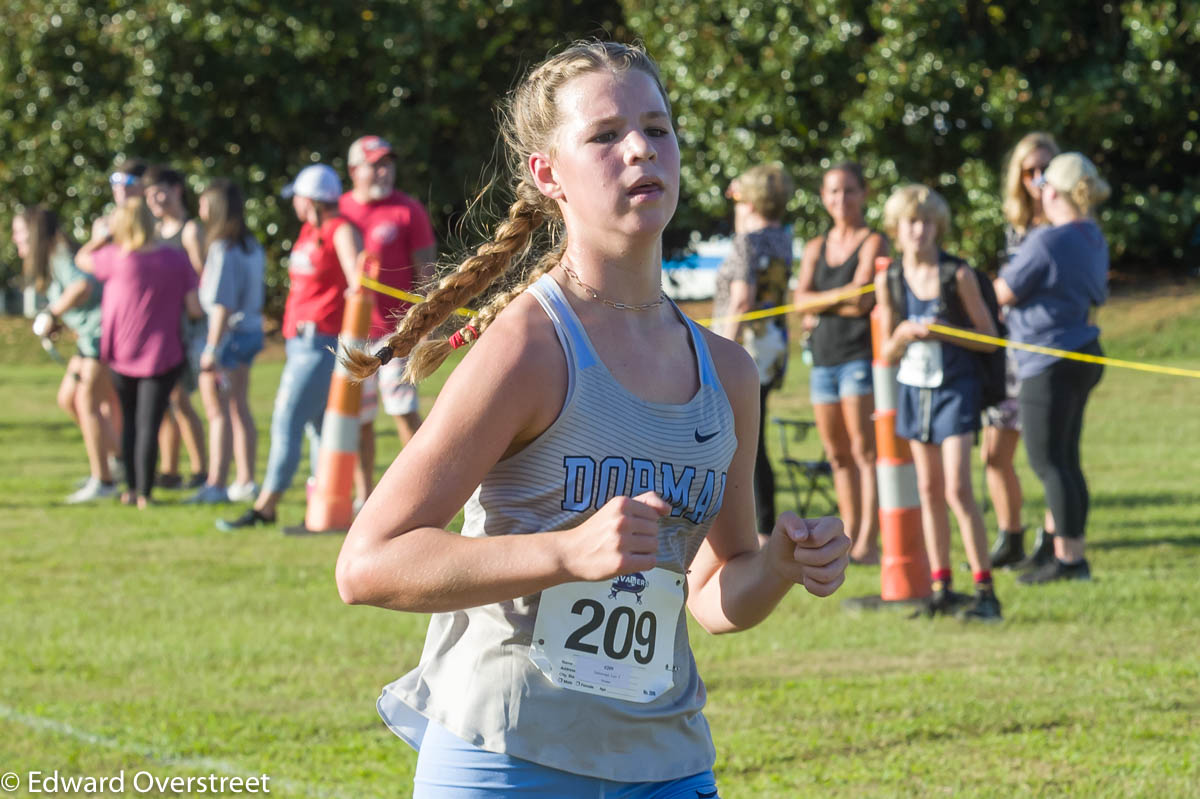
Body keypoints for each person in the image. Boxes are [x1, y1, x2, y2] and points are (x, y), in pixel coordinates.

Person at [333, 41, 850, 796]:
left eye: (657, 128)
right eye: (605, 136)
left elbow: (712, 592)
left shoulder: (729, 372)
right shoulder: (527, 348)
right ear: (549, 175)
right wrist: (567, 552)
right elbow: (368, 563)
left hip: (668, 765)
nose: (640, 148)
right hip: (507, 757)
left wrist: (776, 566)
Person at [877, 185, 1001, 620]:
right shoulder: (890, 277)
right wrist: (904, 335)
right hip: (915, 387)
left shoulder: (958, 275)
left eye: (928, 222)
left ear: (939, 227)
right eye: (912, 221)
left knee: (957, 489)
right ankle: (941, 586)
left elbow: (989, 339)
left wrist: (940, 330)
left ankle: (985, 590)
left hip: (956, 388)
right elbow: (887, 351)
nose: (920, 230)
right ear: (897, 227)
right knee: (927, 490)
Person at [217, 164, 362, 530]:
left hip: (320, 341)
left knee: (287, 420)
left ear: (311, 199)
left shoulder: (338, 228)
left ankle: (266, 505)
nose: (294, 204)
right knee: (315, 427)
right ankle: (321, 512)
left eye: (298, 197)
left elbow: (357, 277)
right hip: (300, 343)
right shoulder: (309, 231)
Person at [994, 152, 1110, 585]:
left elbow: (1002, 292)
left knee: (1048, 463)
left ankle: (1068, 560)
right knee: (1066, 459)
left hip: (1047, 360)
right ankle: (1070, 555)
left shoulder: (1047, 241)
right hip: (1082, 351)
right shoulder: (1093, 236)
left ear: (1053, 191)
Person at [75, 197, 203, 509]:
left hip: (121, 353)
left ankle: (130, 489)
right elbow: (195, 307)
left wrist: (100, 237)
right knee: (151, 423)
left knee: (130, 422)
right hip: (164, 352)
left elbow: (81, 258)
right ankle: (145, 492)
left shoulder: (114, 259)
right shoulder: (175, 260)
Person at [792, 162, 887, 564]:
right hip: (824, 362)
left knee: (865, 452)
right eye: (833, 191)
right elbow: (798, 302)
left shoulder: (873, 242)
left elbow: (864, 299)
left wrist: (820, 301)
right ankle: (848, 537)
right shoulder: (815, 246)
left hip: (858, 359)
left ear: (864, 194)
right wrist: (839, 299)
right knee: (837, 455)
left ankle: (869, 539)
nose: (841, 199)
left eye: (849, 190)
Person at [338, 135, 437, 506]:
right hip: (352, 335)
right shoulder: (341, 209)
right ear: (353, 171)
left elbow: (426, 273)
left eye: (387, 163)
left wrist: (423, 326)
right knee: (360, 422)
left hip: (396, 336)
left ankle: (425, 494)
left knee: (404, 412)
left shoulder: (408, 210)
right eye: (375, 164)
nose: (384, 171)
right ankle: (365, 497)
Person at [985, 132, 1061, 570]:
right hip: (1006, 354)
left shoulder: (1062, 227)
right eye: (1028, 170)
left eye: (1045, 169)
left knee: (1047, 453)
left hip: (1044, 352)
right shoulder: (1015, 225)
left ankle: (1054, 536)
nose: (1037, 178)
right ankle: (1009, 534)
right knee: (994, 453)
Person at [710, 163, 795, 536]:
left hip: (744, 346)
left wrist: (722, 352)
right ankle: (764, 522)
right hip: (773, 344)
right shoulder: (783, 239)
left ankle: (758, 527)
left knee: (744, 444)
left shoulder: (747, 241)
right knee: (755, 439)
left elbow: (741, 299)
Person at [16, 206, 119, 503]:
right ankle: (117, 462)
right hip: (87, 336)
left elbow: (81, 285)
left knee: (87, 401)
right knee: (68, 399)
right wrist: (59, 320)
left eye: (20, 231)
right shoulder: (54, 255)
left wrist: (51, 313)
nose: (15, 238)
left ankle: (105, 480)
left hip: (101, 334)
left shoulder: (58, 251)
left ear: (34, 232)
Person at [186, 179, 265, 504]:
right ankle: (245, 480)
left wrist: (211, 349)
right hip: (249, 332)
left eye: (204, 203)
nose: (200, 210)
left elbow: (221, 304)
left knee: (217, 411)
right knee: (239, 409)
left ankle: (216, 483)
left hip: (227, 338)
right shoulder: (251, 244)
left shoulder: (222, 248)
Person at [143, 164, 209, 490]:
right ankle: (169, 470)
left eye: (160, 190)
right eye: (148, 193)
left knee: (181, 399)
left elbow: (201, 278)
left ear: (177, 190)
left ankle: (201, 470)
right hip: (162, 329)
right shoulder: (154, 232)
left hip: (187, 328)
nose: (153, 198)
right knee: (165, 402)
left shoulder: (189, 230)